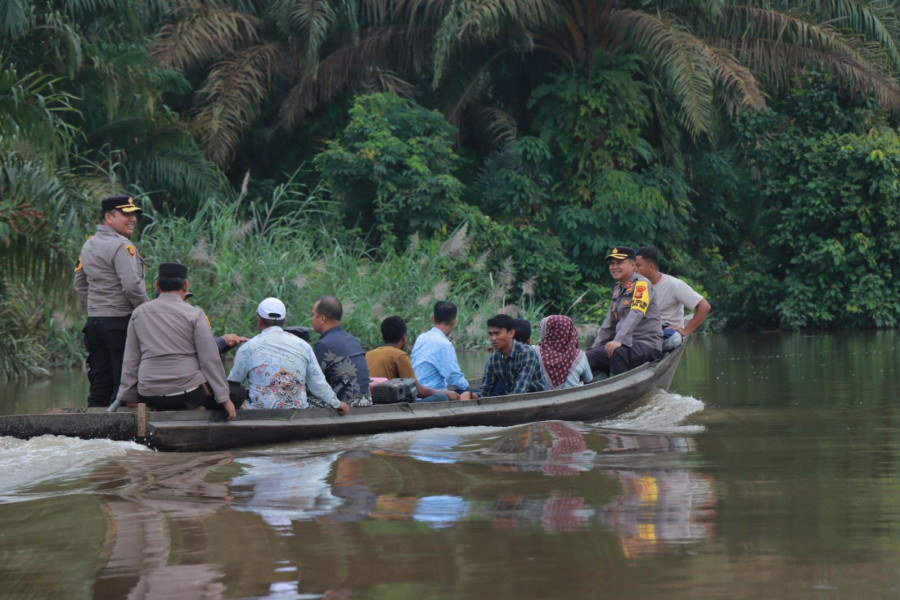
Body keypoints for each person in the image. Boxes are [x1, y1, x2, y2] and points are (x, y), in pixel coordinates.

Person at [115, 263, 236, 419]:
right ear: (186, 286)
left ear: (157, 286)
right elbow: (209, 360)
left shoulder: (139, 313)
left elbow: (131, 359)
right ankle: (198, 411)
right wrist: (224, 398)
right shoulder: (195, 314)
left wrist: (128, 396)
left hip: (149, 394)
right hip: (186, 394)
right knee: (238, 392)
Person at [74, 194, 150, 407]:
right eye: (126, 214)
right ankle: (118, 434)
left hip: (95, 324)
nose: (132, 218)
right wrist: (148, 312)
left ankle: (91, 428)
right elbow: (132, 286)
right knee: (124, 386)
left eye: (134, 214)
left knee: (99, 383)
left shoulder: (89, 245)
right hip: (119, 323)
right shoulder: (122, 246)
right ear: (109, 217)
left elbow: (79, 284)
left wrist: (97, 307)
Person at [228, 297, 349, 413]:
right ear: (284, 320)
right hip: (296, 412)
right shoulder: (304, 346)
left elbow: (233, 385)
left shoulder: (247, 348)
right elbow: (318, 384)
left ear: (259, 320)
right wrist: (337, 403)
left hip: (259, 412)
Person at [586, 247, 663, 377]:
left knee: (617, 351)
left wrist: (619, 340)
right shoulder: (618, 288)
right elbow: (608, 324)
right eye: (612, 263)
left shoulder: (642, 284)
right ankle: (589, 390)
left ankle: (617, 388)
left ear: (633, 265)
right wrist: (593, 349)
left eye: (619, 263)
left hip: (646, 344)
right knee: (586, 358)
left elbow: (636, 312)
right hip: (624, 346)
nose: (614, 267)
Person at [366, 316, 462, 403]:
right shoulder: (400, 355)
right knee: (442, 397)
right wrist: (447, 393)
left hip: (373, 402)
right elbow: (420, 391)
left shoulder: (368, 355)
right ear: (404, 338)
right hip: (392, 405)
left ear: (382, 337)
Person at [635, 246, 711, 351]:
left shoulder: (673, 284)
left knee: (674, 339)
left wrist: (685, 331)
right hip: (645, 332)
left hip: (666, 331)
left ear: (651, 267)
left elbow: (704, 306)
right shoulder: (637, 286)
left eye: (638, 266)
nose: (634, 269)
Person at [310, 296, 372, 407]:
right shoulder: (353, 340)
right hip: (366, 404)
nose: (312, 319)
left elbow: (313, 383)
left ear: (322, 319)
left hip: (345, 409)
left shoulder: (324, 345)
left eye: (313, 315)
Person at [410, 301, 477, 400]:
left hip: (415, 394)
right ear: (454, 322)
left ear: (433, 318)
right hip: (433, 396)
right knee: (477, 393)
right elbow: (454, 377)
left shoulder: (421, 338)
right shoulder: (444, 344)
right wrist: (468, 389)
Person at [480, 314, 548, 397]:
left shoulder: (527, 353)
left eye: (497, 333)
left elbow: (519, 392)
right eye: (490, 334)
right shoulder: (494, 359)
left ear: (511, 333)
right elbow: (484, 392)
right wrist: (471, 395)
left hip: (535, 399)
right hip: (512, 399)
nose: (493, 338)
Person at [534, 315, 593, 390]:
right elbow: (589, 381)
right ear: (571, 332)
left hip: (544, 399)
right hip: (575, 398)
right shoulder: (580, 355)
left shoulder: (534, 351)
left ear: (547, 331)